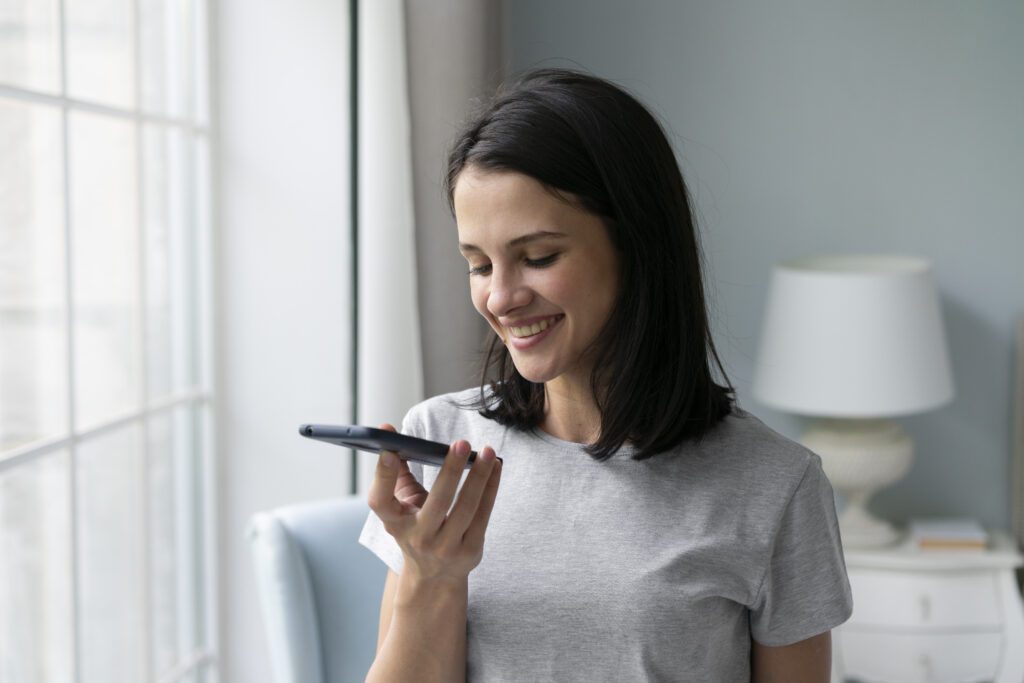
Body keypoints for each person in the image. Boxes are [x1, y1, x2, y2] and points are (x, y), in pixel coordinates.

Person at [359, 68, 853, 682]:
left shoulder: (775, 485)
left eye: (538, 257)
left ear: (636, 245)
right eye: (480, 264)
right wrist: (430, 574)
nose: (501, 297)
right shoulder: (442, 441)